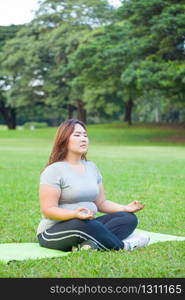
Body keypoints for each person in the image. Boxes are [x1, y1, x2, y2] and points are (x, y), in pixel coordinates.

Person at [37, 119, 150, 251]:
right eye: (77, 135)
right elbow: (48, 210)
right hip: (53, 231)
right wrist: (74, 214)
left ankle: (90, 245)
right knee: (86, 225)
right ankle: (124, 246)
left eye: (85, 135)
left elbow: (101, 203)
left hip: (87, 223)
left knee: (128, 219)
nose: (83, 139)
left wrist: (125, 208)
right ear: (64, 140)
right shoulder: (54, 170)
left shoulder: (92, 167)